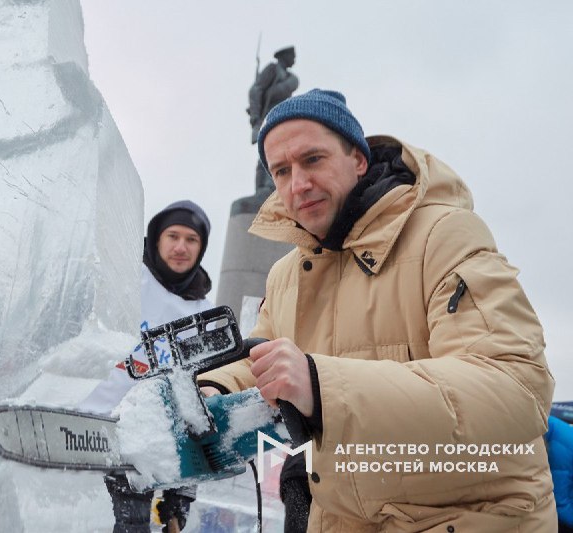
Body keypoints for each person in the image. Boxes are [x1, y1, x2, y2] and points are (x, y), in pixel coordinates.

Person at [199, 89, 557, 530]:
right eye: (281, 171)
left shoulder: (444, 234)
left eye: (313, 159)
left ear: (359, 159)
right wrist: (208, 393)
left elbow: (516, 389)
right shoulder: (287, 274)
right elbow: (263, 360)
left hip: (466, 518)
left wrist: (320, 386)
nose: (298, 184)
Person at [79, 200, 213, 533]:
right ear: (156, 239)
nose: (181, 247)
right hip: (78, 429)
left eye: (191, 239)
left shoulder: (204, 314)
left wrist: (182, 490)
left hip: (140, 452)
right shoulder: (124, 277)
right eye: (173, 236)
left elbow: (197, 401)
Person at [247, 46, 299, 194]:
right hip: (268, 117)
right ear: (284, 56)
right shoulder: (273, 69)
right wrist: (255, 115)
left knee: (281, 149)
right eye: (292, 56)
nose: (294, 59)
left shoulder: (289, 76)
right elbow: (256, 90)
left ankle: (272, 184)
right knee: (268, 150)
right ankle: (264, 187)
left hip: (281, 116)